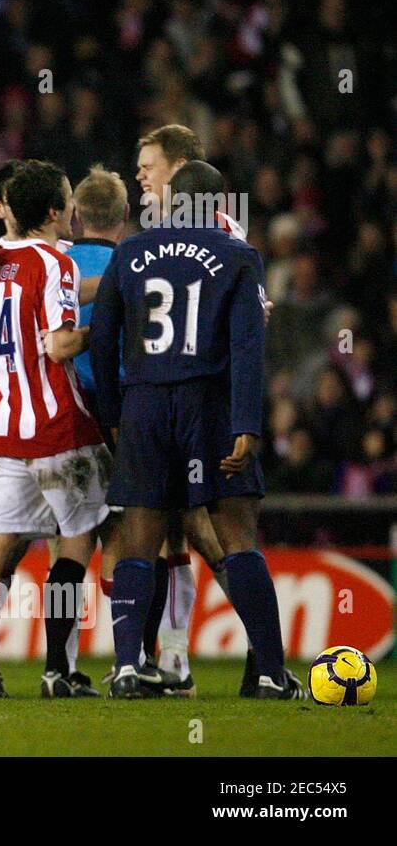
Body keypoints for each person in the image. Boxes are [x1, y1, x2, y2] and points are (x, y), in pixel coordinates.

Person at [90, 160, 305, 700]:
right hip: (206, 405)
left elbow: (102, 339)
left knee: (140, 537)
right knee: (236, 534)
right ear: (219, 204)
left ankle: (126, 668)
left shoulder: (130, 253)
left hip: (143, 404)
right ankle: (268, 674)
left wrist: (113, 415)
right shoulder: (238, 256)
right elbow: (247, 346)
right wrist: (246, 423)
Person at [0, 160, 109, 698]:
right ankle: (59, 670)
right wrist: (108, 327)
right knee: (79, 540)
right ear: (52, 211)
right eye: (68, 200)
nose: (73, 210)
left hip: (2, 427)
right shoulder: (56, 263)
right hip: (58, 425)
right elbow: (59, 343)